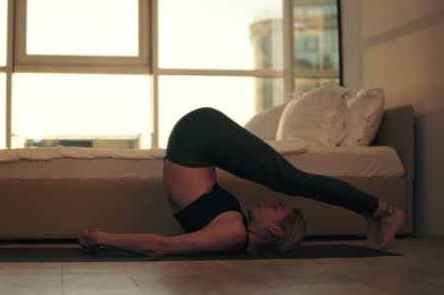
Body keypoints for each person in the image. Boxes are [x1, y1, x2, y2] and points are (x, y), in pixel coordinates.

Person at [78, 107, 406, 256]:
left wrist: (107, 239)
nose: (267, 202)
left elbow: (164, 244)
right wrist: (105, 238)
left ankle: (376, 211)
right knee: (289, 179)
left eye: (276, 208)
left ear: (276, 231)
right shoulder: (231, 231)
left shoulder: (231, 233)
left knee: (290, 179)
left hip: (197, 134)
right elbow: (167, 245)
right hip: (199, 134)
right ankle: (379, 210)